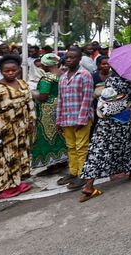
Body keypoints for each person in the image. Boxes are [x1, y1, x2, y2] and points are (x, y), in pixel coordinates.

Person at [78, 75, 131, 202]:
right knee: (128, 146)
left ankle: (89, 185)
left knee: (98, 152)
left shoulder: (110, 80)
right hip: (121, 124)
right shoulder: (129, 87)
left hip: (104, 124)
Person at [0, 55, 35, 199]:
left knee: (19, 155)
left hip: (21, 127)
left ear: (18, 70)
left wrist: (31, 122)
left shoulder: (23, 84)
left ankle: (16, 183)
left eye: (13, 70)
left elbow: (30, 104)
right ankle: (4, 188)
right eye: (6, 71)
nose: (10, 73)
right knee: (4, 158)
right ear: (1, 71)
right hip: (2, 130)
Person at [55, 47, 94, 189]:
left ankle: (83, 175)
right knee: (70, 147)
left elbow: (87, 99)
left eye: (72, 57)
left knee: (81, 147)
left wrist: (81, 119)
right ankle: (73, 171)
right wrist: (58, 120)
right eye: (67, 57)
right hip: (66, 118)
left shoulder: (85, 75)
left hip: (81, 119)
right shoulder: (63, 77)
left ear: (79, 60)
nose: (69, 59)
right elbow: (60, 100)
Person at [31, 53, 68, 175]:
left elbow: (43, 96)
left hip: (47, 111)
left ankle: (52, 166)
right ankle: (63, 161)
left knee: (47, 137)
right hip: (61, 107)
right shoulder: (64, 75)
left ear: (44, 66)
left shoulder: (47, 78)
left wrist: (32, 93)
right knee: (60, 135)